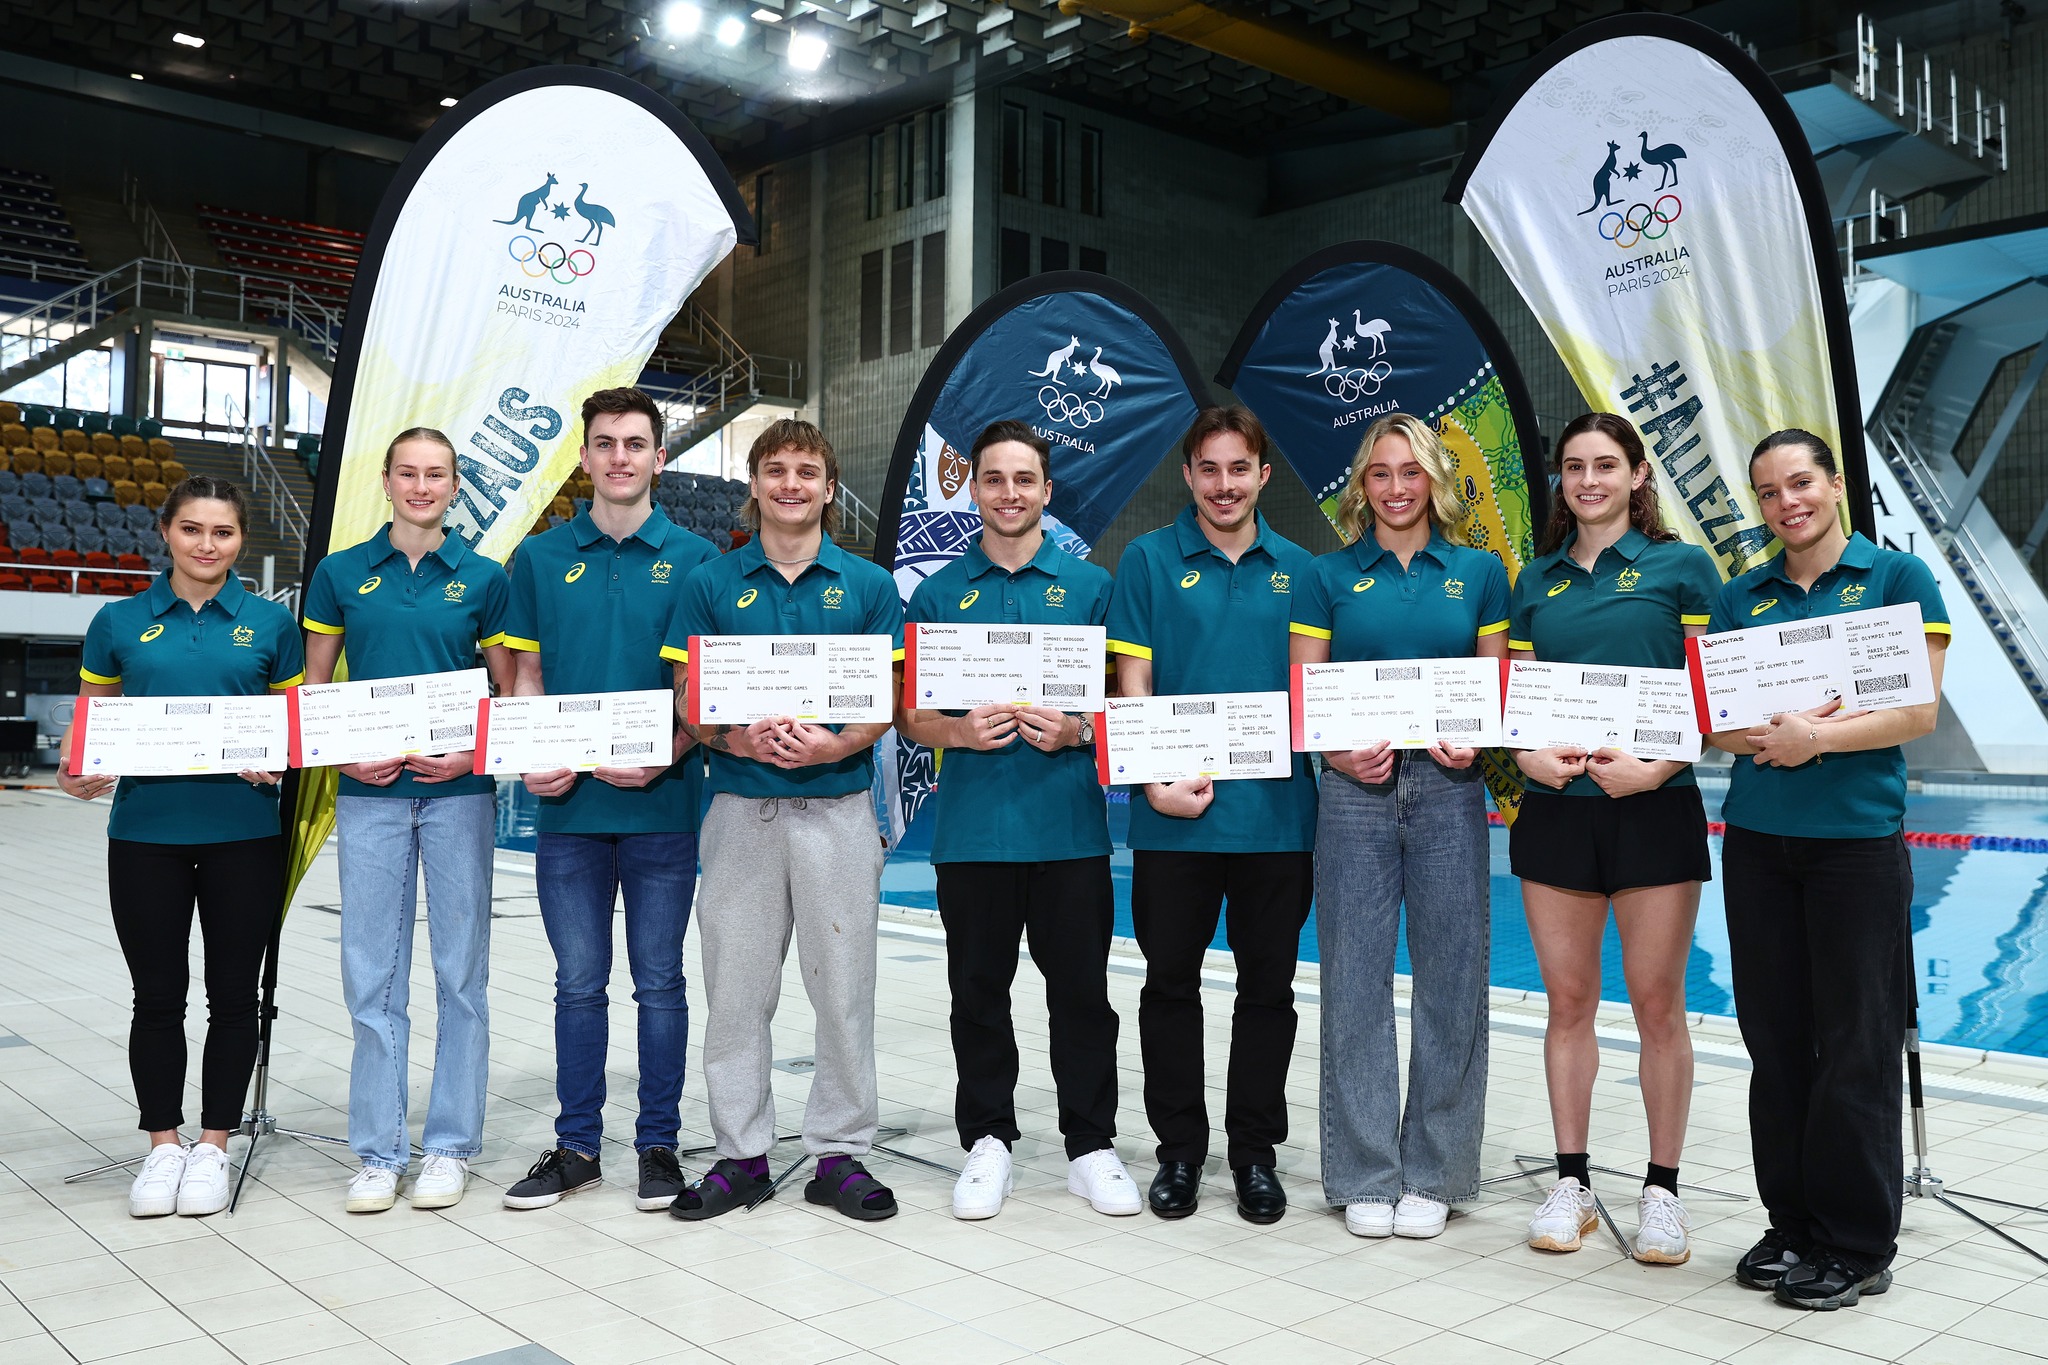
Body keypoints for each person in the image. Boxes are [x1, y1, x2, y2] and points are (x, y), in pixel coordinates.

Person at [1709, 429, 1948, 1310]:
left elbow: (1915, 709)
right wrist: (1774, 735)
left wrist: (1813, 738)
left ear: (1835, 483)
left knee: (1854, 1043)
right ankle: (1793, 1221)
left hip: (1854, 843)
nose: (1786, 504)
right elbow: (1721, 719)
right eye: (1769, 492)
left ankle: (1855, 1240)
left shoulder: (1894, 580)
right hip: (1761, 842)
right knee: (1774, 1043)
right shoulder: (1743, 595)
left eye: (1800, 483)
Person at [664, 418, 906, 1222]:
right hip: (740, 808)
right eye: (776, 470)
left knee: (843, 991)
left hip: (837, 808)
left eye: (807, 471)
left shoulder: (869, 586)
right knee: (736, 991)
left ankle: (838, 1153)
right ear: (755, 483)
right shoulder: (710, 580)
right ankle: (741, 1155)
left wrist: (831, 741)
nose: (791, 484)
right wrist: (735, 735)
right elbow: (689, 699)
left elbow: (887, 704)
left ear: (830, 488)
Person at [897, 420, 1138, 1221]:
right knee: (978, 994)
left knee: (1081, 996)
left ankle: (1091, 1145)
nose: (1009, 493)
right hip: (972, 833)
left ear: (1046, 490)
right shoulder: (937, 594)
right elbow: (912, 718)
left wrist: (1080, 729)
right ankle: (988, 1140)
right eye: (993, 479)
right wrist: (959, 730)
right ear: (974, 490)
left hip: (1069, 830)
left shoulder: (1090, 588)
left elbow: (1121, 704)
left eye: (1023, 479)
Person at [1505, 411, 1722, 1264]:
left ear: (1638, 474)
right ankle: (1572, 1181)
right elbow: (1519, 700)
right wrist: (1530, 753)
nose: (1588, 479)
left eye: (1605, 464)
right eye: (1573, 466)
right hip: (1560, 807)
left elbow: (1708, 699)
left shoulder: (1682, 569)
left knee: (1658, 1004)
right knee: (1568, 1003)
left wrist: (1659, 769)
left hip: (1652, 805)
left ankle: (1663, 1191)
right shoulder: (1537, 580)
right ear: (1559, 480)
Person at [58, 476, 305, 1218]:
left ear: (241, 542)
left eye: (222, 533)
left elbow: (292, 729)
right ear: (166, 531)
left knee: (234, 1000)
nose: (207, 544)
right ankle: (162, 1144)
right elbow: (90, 728)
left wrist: (281, 756)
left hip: (245, 835)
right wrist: (78, 772)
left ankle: (214, 1145)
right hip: (144, 835)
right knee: (157, 998)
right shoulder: (118, 621)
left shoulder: (270, 625)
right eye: (192, 529)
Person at [1289, 413, 1509, 1240]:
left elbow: (1494, 685)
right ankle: (1365, 1170)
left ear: (1434, 481)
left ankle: (1438, 1170)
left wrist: (1475, 735)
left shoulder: (1479, 573)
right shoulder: (1327, 575)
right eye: (1379, 473)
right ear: (1362, 485)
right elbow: (1305, 694)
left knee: (1454, 977)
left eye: (1409, 472)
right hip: (1355, 790)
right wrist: (1341, 759)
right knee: (1354, 977)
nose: (1395, 487)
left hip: (1450, 785)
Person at [498, 387, 716, 1212]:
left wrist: (671, 747)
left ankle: (658, 1146)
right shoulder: (541, 559)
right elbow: (525, 676)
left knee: (660, 982)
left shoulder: (698, 559)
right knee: (578, 982)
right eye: (605, 443)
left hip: (663, 809)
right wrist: (529, 756)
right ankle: (578, 1145)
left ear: (661, 458)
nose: (620, 457)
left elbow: (698, 691)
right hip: (571, 814)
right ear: (584, 457)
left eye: (635, 443)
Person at [1105, 404, 1318, 1224]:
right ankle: (1180, 1152)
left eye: (1240, 469)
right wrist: (1152, 780)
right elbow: (1135, 685)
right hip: (1175, 815)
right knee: (1169, 988)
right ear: (1187, 475)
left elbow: (1311, 694)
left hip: (1275, 820)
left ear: (1263, 475)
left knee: (1269, 991)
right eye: (1209, 469)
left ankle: (1255, 1154)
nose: (1224, 485)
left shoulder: (1305, 570)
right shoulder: (1149, 562)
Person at [301, 428, 515, 1213]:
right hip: (369, 796)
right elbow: (314, 688)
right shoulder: (339, 574)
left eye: (437, 474)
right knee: (372, 976)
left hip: (458, 793)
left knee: (462, 975)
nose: (422, 486)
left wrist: (470, 760)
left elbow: (508, 692)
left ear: (454, 486)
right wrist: (342, 758)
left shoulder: (486, 578)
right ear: (385, 481)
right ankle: (379, 1150)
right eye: (409, 473)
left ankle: (451, 1145)